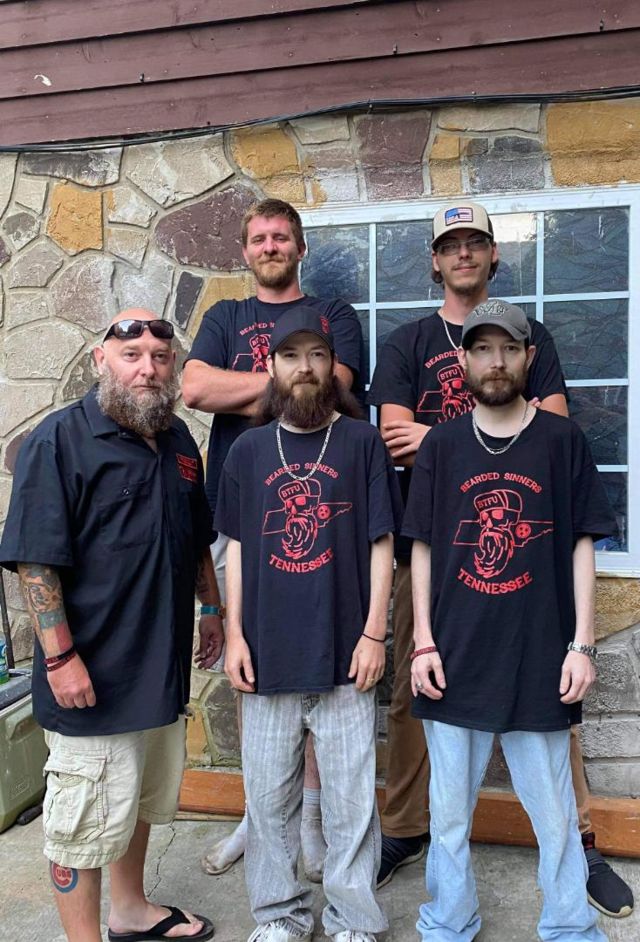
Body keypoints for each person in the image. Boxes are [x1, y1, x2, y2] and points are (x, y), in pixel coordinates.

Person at [367, 201, 634, 919]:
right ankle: (411, 842)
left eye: (475, 242)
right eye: (450, 244)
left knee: (549, 722)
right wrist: (460, 442)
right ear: (435, 259)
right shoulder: (409, 343)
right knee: (420, 702)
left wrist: (582, 640)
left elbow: (554, 436)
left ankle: (577, 860)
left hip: (532, 573)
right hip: (436, 559)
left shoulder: (534, 348)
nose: (463, 253)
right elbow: (395, 437)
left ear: (492, 253)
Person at [0, 310, 223, 942]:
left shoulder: (179, 442)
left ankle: (130, 911)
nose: (147, 369)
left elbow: (197, 537)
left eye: (160, 356)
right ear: (101, 361)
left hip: (161, 670)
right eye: (131, 356)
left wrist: (211, 609)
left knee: (139, 799)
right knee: (79, 822)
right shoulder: (59, 441)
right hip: (91, 677)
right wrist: (58, 658)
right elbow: (35, 559)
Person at [404, 299, 610, 941]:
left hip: (539, 655)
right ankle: (448, 920)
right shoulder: (441, 445)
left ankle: (570, 925)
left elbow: (581, 542)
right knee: (447, 816)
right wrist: (422, 642)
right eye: (482, 348)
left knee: (554, 815)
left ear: (528, 357)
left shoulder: (561, 441)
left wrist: (582, 644)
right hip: (454, 656)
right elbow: (422, 546)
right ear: (463, 359)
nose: (496, 361)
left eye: (509, 349)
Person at [183, 197, 364, 881]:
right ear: (244, 250)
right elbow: (194, 388)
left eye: (281, 236)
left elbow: (336, 386)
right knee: (249, 662)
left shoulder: (334, 313)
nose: (269, 246)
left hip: (322, 509)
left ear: (300, 247)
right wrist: (287, 378)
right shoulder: (225, 316)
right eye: (258, 237)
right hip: (240, 515)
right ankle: (259, 815)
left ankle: (309, 818)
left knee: (313, 658)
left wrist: (253, 387)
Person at [215, 307, 401, 942]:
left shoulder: (362, 442)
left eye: (317, 355)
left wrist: (374, 633)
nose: (305, 368)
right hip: (267, 654)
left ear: (333, 367)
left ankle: (353, 919)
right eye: (291, 356)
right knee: (268, 800)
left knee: (351, 801)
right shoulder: (247, 451)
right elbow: (237, 548)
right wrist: (234, 635)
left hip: (347, 652)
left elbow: (382, 542)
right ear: (271, 367)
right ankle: (279, 916)